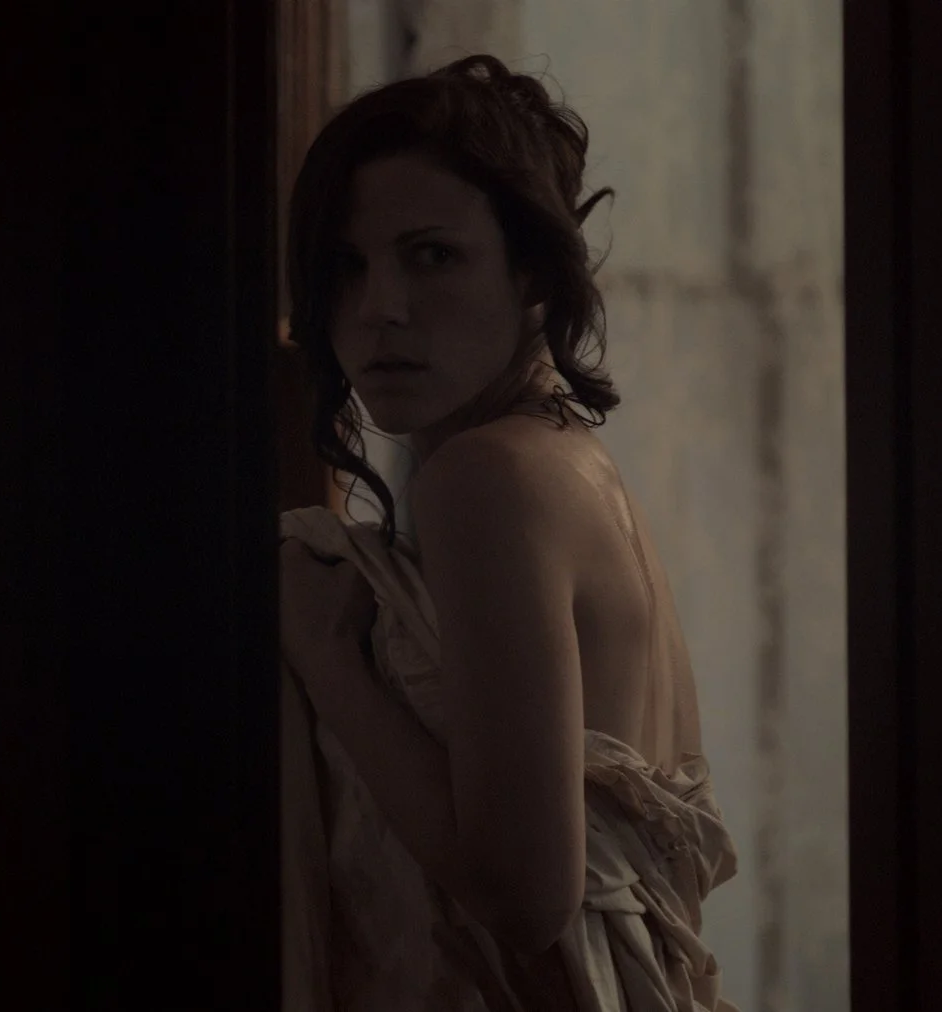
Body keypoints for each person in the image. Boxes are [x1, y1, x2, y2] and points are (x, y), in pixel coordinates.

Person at [277, 55, 740, 1012]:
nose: (380, 308)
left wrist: (328, 656)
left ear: (532, 268)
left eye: (431, 254)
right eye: (346, 266)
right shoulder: (570, 465)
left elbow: (527, 896)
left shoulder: (486, 479)